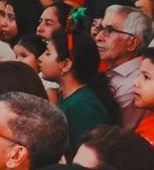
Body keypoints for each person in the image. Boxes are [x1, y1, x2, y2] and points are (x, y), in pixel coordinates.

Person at [37, 20, 118, 152]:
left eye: (47, 53)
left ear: (66, 65)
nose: (40, 58)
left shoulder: (83, 106)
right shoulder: (68, 96)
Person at [95, 5, 154, 129]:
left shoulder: (134, 84)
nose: (98, 37)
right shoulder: (112, 70)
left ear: (132, 43)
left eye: (109, 31)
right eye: (101, 28)